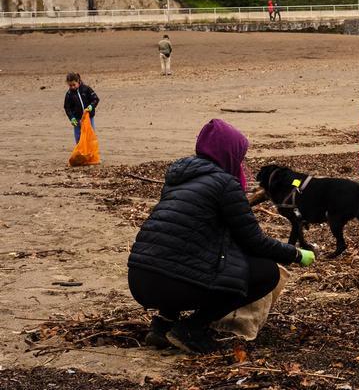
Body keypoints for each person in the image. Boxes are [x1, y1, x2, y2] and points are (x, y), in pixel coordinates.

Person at [127, 119, 315, 354]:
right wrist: (296, 253)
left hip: (140, 278)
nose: (241, 162)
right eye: (240, 155)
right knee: (266, 273)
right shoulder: (224, 184)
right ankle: (191, 328)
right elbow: (254, 241)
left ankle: (163, 323)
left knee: (182, 255)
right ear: (229, 152)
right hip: (172, 283)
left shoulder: (178, 179)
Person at [63, 72, 100, 143]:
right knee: (78, 137)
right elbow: (67, 108)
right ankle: (80, 152)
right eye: (70, 85)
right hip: (77, 119)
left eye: (74, 84)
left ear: (78, 81)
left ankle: (91, 151)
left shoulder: (86, 89)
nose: (72, 87)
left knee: (90, 135)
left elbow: (96, 99)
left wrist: (91, 106)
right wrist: (72, 118)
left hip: (88, 117)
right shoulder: (69, 94)